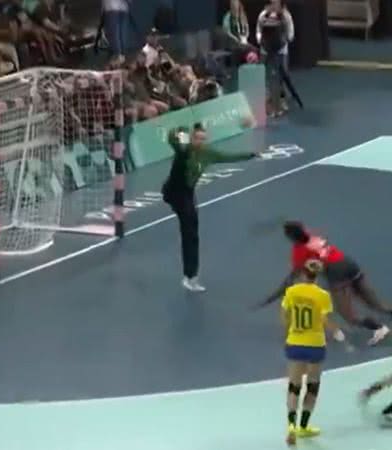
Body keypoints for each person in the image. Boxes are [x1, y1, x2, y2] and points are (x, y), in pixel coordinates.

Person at [258, 221, 392, 346]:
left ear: (291, 237)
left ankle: (380, 328)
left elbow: (291, 279)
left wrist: (270, 298)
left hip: (337, 273)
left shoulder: (298, 252)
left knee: (349, 316)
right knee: (375, 304)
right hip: (349, 263)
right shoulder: (312, 236)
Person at [162, 124, 260, 292]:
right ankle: (190, 276)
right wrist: (180, 130)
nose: (200, 141)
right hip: (174, 192)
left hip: (188, 193)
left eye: (203, 139)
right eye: (197, 138)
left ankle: (190, 276)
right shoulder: (184, 150)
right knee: (190, 231)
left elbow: (228, 157)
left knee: (192, 233)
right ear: (191, 138)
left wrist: (249, 155)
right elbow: (172, 138)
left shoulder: (208, 153)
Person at [281, 259, 344, 445]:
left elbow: (285, 315)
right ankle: (303, 426)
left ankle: (291, 425)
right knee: (313, 385)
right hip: (315, 345)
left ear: (302, 274)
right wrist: (336, 332)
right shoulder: (323, 295)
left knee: (294, 385)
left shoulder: (292, 291)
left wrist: (288, 334)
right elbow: (325, 318)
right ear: (318, 276)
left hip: (295, 342)